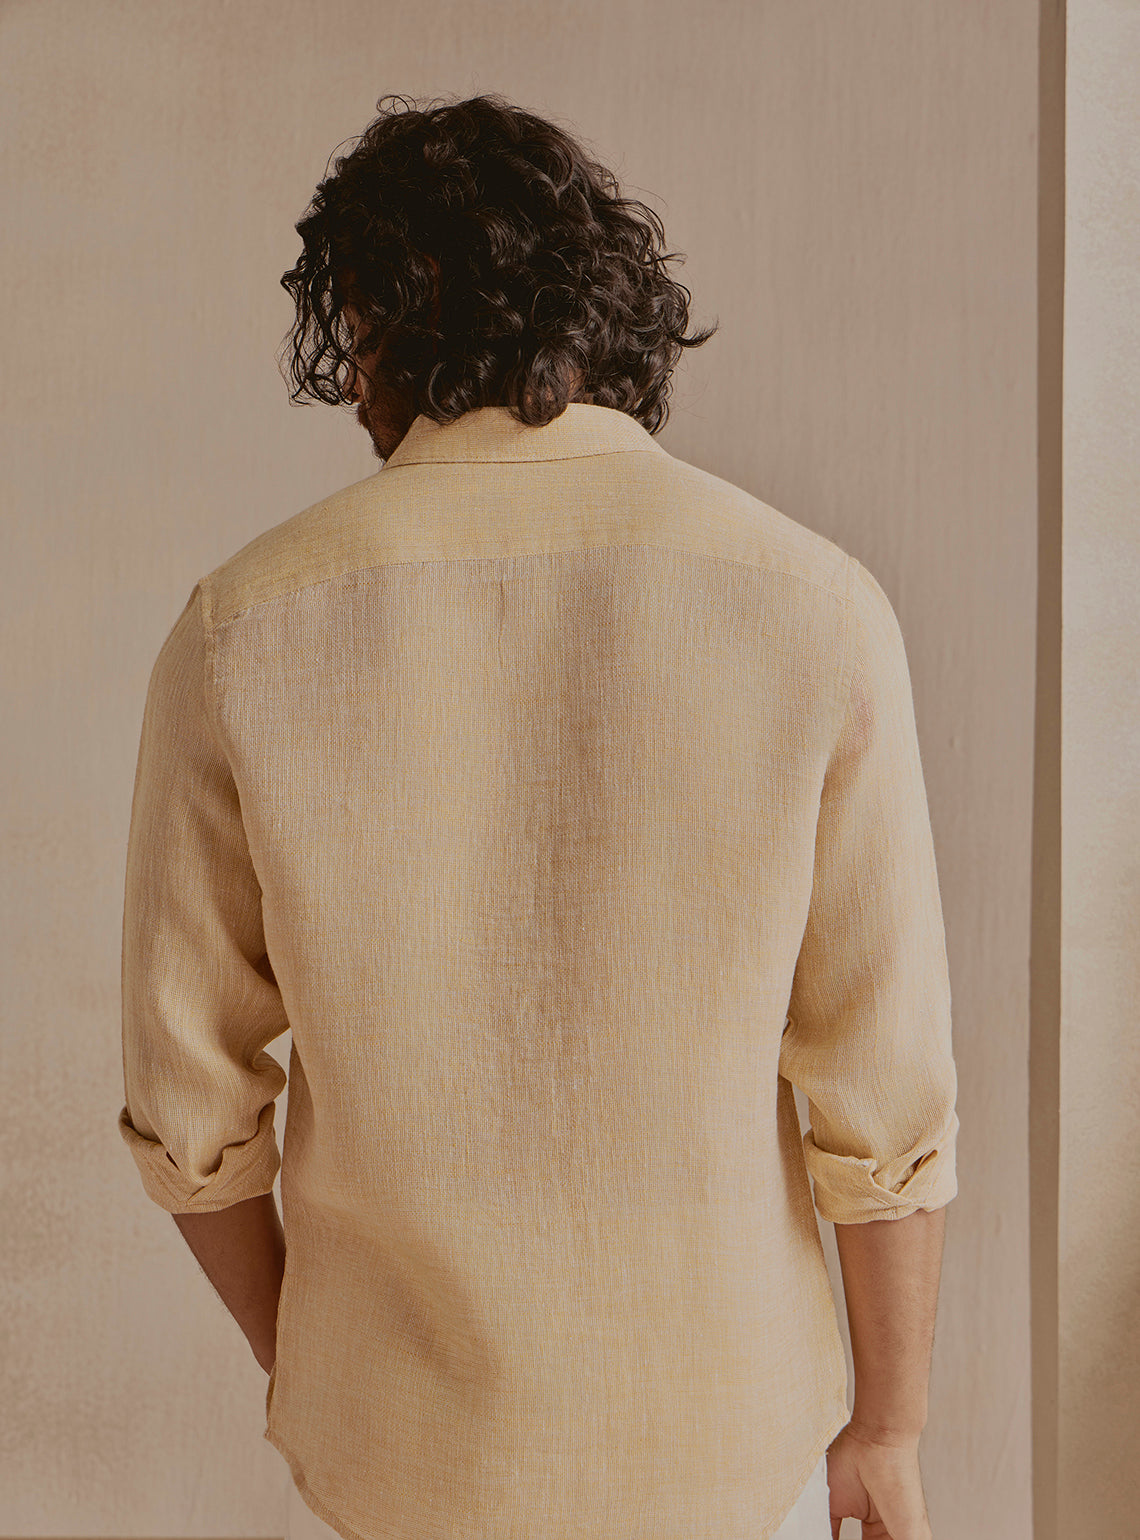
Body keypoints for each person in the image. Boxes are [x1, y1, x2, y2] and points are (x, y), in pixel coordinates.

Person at [117, 92, 959, 1540]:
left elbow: (190, 1109)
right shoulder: (814, 608)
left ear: (368, 323)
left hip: (397, 1462)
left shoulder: (241, 630)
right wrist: (888, 1429)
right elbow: (884, 1096)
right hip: (728, 1451)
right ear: (606, 307)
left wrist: (309, 1362)